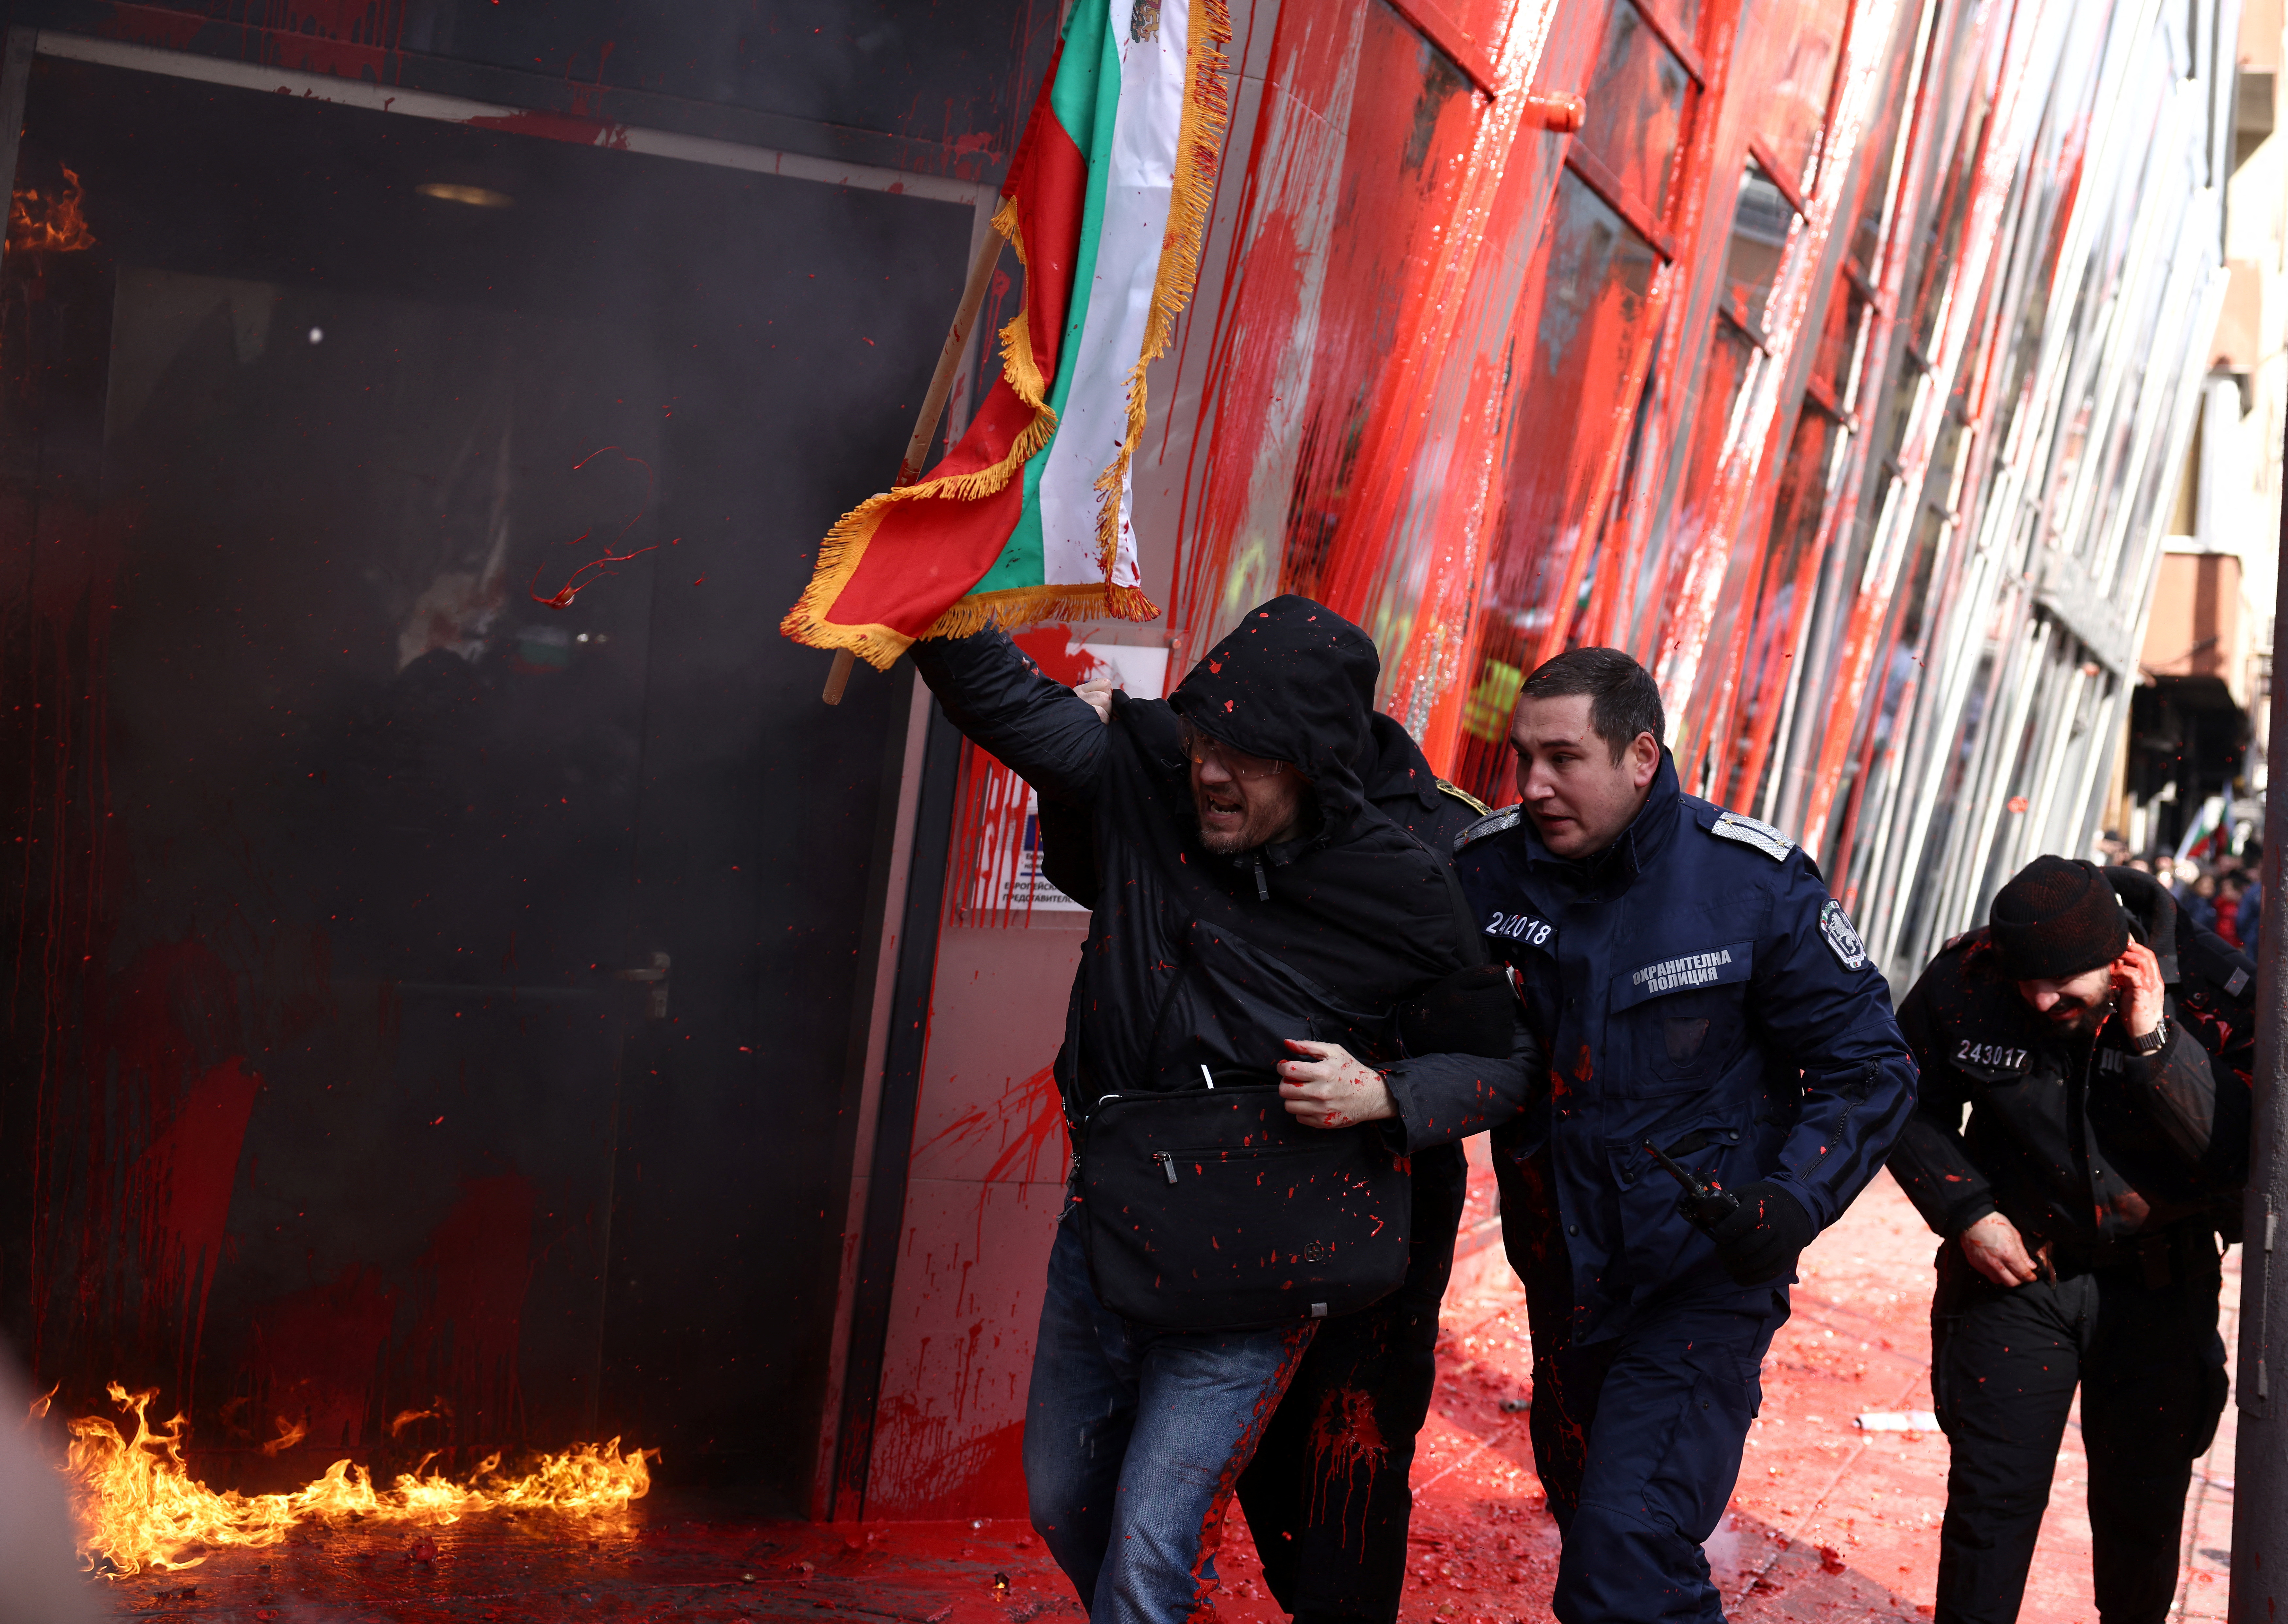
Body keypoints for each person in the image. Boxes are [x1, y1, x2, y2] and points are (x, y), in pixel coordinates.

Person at [908, 597, 1542, 1624]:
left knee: (1154, 1544)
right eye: (1205, 739)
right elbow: (1003, 700)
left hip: (1261, 1268)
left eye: (1247, 757)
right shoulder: (1149, 783)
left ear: (1314, 766)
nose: (1211, 771)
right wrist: (927, 562)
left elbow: (1504, 1062)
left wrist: (1387, 1093)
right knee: (1069, 1504)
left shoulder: (1406, 885)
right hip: (1113, 1232)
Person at [1452, 647, 1917, 1623]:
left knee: (1626, 1558)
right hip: (1566, 1282)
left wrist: (1791, 1200)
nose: (1534, 785)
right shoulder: (1485, 872)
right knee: (1601, 1537)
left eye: (1564, 759)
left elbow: (1870, 1064)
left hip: (1703, 1279)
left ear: (1641, 758)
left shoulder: (1751, 883)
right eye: (1521, 758)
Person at [1044, 680, 1496, 1624]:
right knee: (1147, 1504)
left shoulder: (1449, 842)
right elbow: (1102, 880)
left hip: (1369, 1223)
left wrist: (1386, 1092)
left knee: (1339, 1492)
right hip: (1200, 1209)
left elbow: (1495, 1043)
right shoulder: (1210, 800)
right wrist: (1084, 772)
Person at [1886, 856, 2252, 1624]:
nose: (2039, 998)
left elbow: (2240, 1158)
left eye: (2059, 984)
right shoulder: (1974, 975)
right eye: (2025, 983)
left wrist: (2155, 1041)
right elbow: (1894, 1095)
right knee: (1989, 1504)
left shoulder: (2212, 992)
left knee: (2141, 1518)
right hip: (2016, 1276)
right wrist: (1963, 1211)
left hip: (2159, 1291)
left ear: (2121, 958)